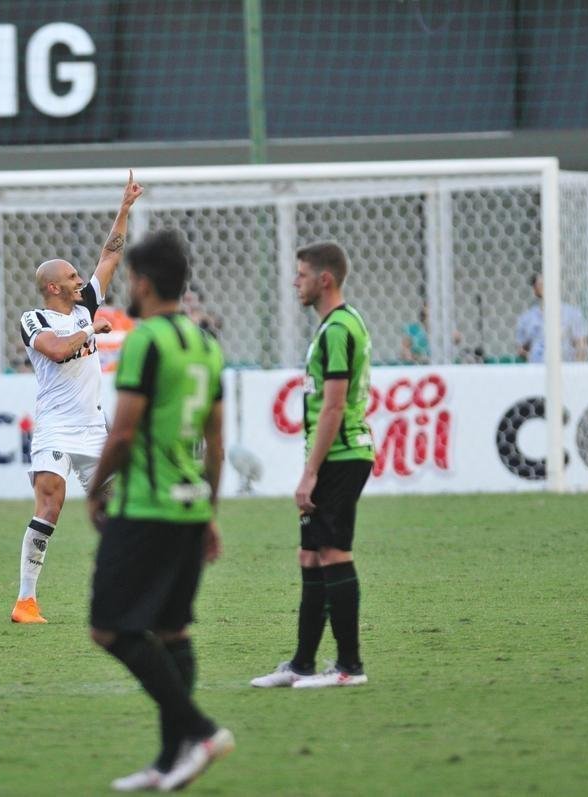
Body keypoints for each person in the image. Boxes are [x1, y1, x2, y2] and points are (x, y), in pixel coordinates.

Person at [84, 230, 233, 791]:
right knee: (171, 631)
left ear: (142, 282)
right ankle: (173, 758)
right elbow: (217, 440)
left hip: (146, 506)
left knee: (108, 628)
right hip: (191, 504)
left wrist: (97, 490)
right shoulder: (207, 345)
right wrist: (211, 511)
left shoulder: (145, 342)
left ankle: (199, 731)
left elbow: (122, 433)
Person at [10, 171, 144, 624]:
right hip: (54, 427)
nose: (78, 278)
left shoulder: (86, 303)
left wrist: (124, 208)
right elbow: (57, 350)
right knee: (50, 505)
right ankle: (26, 601)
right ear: (53, 287)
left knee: (118, 510)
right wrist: (93, 329)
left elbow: (109, 256)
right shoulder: (34, 319)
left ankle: (124, 591)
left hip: (92, 428)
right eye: (70, 275)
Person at [251, 241, 374, 690]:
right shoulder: (335, 326)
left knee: (333, 553)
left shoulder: (338, 329)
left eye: (300, 274)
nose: (294, 282)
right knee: (310, 553)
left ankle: (349, 667)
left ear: (325, 279)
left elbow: (334, 407)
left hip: (342, 456)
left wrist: (310, 471)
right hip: (334, 456)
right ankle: (302, 663)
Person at [515, 273, 588, 363]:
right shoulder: (526, 318)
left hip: (565, 369)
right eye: (541, 285)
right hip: (537, 370)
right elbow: (520, 348)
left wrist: (577, 368)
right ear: (535, 289)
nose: (546, 288)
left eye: (549, 283)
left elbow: (581, 344)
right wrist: (534, 357)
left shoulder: (572, 313)